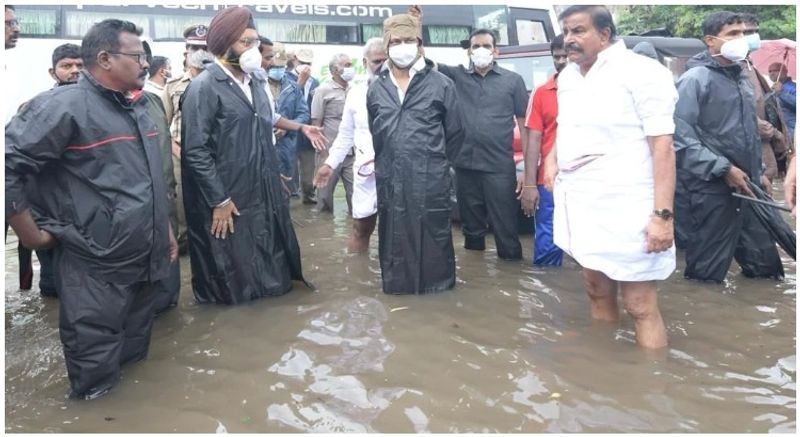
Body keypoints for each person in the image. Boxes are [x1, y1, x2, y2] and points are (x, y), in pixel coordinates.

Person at [6, 19, 176, 399]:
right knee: (94, 376)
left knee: (134, 361)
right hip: (94, 264)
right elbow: (8, 166)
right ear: (105, 59)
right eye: (136, 56)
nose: (145, 63)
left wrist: (164, 230)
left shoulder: (138, 106)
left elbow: (149, 181)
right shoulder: (62, 107)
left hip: (144, 259)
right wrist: (29, 234)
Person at [544, 6, 677, 349]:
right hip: (582, 203)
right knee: (596, 291)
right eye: (566, 32)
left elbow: (663, 146)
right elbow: (568, 126)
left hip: (629, 204)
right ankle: (603, 365)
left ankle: (651, 386)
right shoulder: (569, 76)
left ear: (604, 34)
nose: (568, 40)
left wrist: (662, 217)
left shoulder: (642, 72)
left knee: (640, 305)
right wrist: (552, 157)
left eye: (578, 31)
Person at [180, 6, 325, 304]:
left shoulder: (256, 82)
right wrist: (219, 200)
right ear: (223, 45)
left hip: (263, 186)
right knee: (232, 267)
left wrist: (302, 127)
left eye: (255, 42)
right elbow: (195, 151)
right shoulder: (204, 87)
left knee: (268, 255)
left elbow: (268, 118)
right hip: (228, 195)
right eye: (246, 42)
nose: (254, 50)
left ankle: (270, 313)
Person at [673, 11, 783, 283]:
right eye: (733, 34)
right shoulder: (695, 80)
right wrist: (723, 169)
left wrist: (759, 172)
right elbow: (680, 138)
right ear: (710, 41)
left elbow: (747, 133)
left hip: (748, 184)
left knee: (766, 270)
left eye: (744, 33)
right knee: (706, 275)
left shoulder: (742, 79)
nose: (742, 39)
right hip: (711, 189)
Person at [367, 13, 463, 294]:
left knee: (433, 235)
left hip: (430, 179)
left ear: (419, 44)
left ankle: (437, 295)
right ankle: (398, 291)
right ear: (386, 46)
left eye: (409, 40)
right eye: (396, 41)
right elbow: (377, 135)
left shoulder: (441, 84)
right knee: (393, 234)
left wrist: (436, 167)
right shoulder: (377, 87)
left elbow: (456, 134)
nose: (402, 45)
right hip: (390, 179)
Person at [313, 38, 387, 252]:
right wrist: (329, 164)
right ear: (365, 62)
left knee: (399, 228)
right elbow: (346, 135)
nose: (381, 65)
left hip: (400, 170)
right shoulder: (356, 92)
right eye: (376, 61)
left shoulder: (405, 89)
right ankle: (358, 277)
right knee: (361, 228)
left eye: (385, 60)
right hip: (366, 170)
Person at [163, 24, 208, 254]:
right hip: (180, 155)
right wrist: (176, 149)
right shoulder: (173, 86)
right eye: (195, 47)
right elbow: (162, 126)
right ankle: (182, 251)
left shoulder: (219, 84)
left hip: (212, 155)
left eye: (205, 47)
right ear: (186, 51)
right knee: (180, 207)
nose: (200, 52)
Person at [523, 34, 566, 266]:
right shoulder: (541, 93)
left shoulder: (598, 91)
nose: (561, 61)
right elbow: (533, 142)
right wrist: (530, 185)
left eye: (565, 56)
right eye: (556, 56)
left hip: (588, 180)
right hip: (550, 181)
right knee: (548, 242)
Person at [741, 13, 790, 183]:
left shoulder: (748, 64)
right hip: (748, 151)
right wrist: (774, 133)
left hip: (764, 149)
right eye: (747, 32)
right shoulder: (734, 67)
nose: (753, 36)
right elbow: (738, 112)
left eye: (755, 31)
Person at [311, 53, 356, 214]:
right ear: (335, 70)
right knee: (324, 200)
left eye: (351, 65)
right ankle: (323, 234)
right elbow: (316, 125)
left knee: (357, 198)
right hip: (328, 153)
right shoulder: (322, 91)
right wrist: (323, 155)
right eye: (347, 65)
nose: (350, 69)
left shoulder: (355, 90)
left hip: (351, 154)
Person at [267, 42, 311, 196]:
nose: (277, 70)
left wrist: (287, 128)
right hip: (263, 145)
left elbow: (303, 114)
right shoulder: (256, 84)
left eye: (281, 66)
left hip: (286, 146)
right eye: (274, 67)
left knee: (286, 189)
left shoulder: (293, 87)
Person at [288, 48, 321, 203]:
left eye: (308, 63)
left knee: (308, 174)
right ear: (295, 60)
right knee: (289, 174)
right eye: (302, 62)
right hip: (290, 131)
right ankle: (290, 201)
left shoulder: (315, 82)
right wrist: (299, 83)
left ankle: (308, 197)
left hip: (308, 134)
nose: (305, 66)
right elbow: (285, 103)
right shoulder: (285, 79)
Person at [768, 62, 796, 136]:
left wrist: (782, 92)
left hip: (793, 132)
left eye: (775, 70)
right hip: (778, 133)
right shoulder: (771, 90)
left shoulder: (794, 87)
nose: (772, 73)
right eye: (770, 71)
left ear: (784, 72)